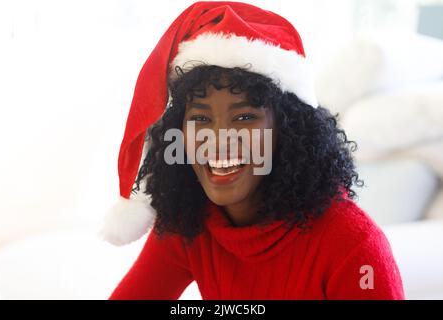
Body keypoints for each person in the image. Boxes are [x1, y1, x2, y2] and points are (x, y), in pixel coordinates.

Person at [100, 1, 405, 300]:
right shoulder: (189, 222)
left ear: (286, 130)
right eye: (201, 119)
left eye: (244, 117)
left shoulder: (353, 246)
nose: (218, 141)